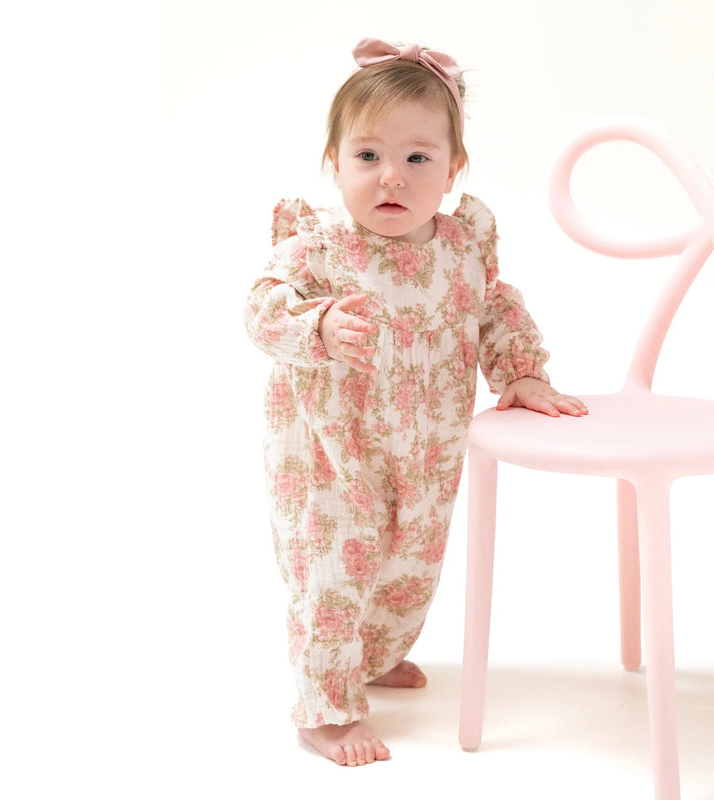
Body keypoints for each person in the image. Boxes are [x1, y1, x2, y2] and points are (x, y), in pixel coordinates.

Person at [243, 37, 588, 768]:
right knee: (336, 569)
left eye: (417, 158)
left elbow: (495, 311)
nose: (390, 176)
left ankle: (375, 655)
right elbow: (262, 311)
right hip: (329, 454)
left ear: (452, 169)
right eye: (367, 156)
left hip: (425, 452)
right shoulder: (318, 248)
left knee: (409, 567)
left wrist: (519, 373)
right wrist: (318, 325)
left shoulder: (461, 250)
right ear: (334, 163)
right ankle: (325, 706)